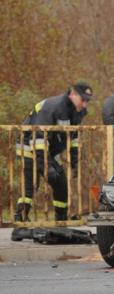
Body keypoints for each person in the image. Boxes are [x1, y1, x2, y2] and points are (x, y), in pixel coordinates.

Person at [14, 82, 93, 222]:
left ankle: (61, 219)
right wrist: (46, 166)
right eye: (83, 99)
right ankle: (20, 219)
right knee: (30, 186)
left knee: (60, 182)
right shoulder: (53, 107)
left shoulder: (77, 112)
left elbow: (73, 137)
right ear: (72, 94)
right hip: (29, 146)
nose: (85, 104)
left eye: (88, 101)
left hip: (49, 150)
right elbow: (38, 137)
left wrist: (74, 162)